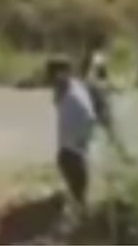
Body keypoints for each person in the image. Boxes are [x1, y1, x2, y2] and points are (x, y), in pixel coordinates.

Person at [50, 57, 98, 208]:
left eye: (54, 75)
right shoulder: (69, 87)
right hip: (69, 145)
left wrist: (82, 139)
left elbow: (90, 119)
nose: (51, 80)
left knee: (71, 169)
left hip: (73, 149)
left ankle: (79, 205)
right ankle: (77, 200)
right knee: (66, 166)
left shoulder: (74, 96)